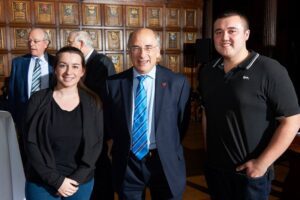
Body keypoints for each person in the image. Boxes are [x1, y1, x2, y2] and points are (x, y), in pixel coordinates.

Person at [199, 11, 300, 200]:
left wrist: (262, 164)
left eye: (232, 31)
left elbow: (292, 122)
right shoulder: (208, 71)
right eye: (218, 32)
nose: (224, 37)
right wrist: (208, 153)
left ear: (246, 35)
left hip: (250, 175)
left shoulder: (270, 69)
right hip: (215, 171)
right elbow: (207, 112)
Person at [104, 28, 190, 200]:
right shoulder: (113, 84)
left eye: (148, 47)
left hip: (165, 162)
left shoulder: (177, 83)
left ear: (158, 50)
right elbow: (111, 124)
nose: (142, 54)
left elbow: (182, 124)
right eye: (136, 48)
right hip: (128, 164)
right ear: (129, 51)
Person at [23, 46, 103, 200]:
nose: (69, 72)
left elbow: (96, 144)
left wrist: (74, 180)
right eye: (63, 65)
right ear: (55, 69)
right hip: (42, 182)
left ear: (82, 71)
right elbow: (30, 143)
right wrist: (57, 181)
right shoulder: (37, 100)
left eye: (75, 66)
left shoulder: (93, 102)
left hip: (79, 183)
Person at [67, 30, 116, 200]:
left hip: (98, 127)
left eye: (70, 41)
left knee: (100, 167)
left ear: (80, 44)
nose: (67, 45)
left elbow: (108, 99)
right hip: (80, 125)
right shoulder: (79, 63)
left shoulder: (102, 62)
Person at [8, 28, 55, 163]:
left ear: (46, 43)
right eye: (29, 41)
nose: (31, 44)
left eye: (35, 41)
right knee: (26, 157)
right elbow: (13, 93)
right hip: (25, 118)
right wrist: (15, 121)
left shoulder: (55, 62)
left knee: (49, 155)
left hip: (49, 116)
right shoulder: (18, 63)